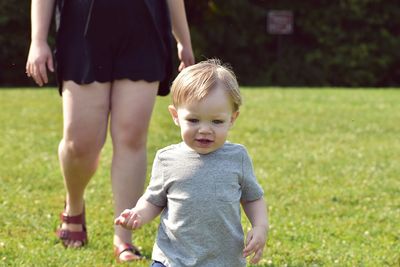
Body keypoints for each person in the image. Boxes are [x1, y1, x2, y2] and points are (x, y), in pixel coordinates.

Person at [25, 0, 194, 263]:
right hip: (82, 27)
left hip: (144, 27)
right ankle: (74, 204)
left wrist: (183, 40)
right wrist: (37, 39)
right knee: (81, 144)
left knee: (131, 136)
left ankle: (123, 237)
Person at [115, 59, 269, 266]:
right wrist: (138, 214)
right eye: (194, 120)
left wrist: (260, 227)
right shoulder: (167, 159)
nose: (205, 129)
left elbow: (253, 198)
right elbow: (154, 200)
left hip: (223, 260)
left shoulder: (237, 157)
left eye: (217, 121)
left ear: (232, 119)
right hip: (172, 258)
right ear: (176, 116)